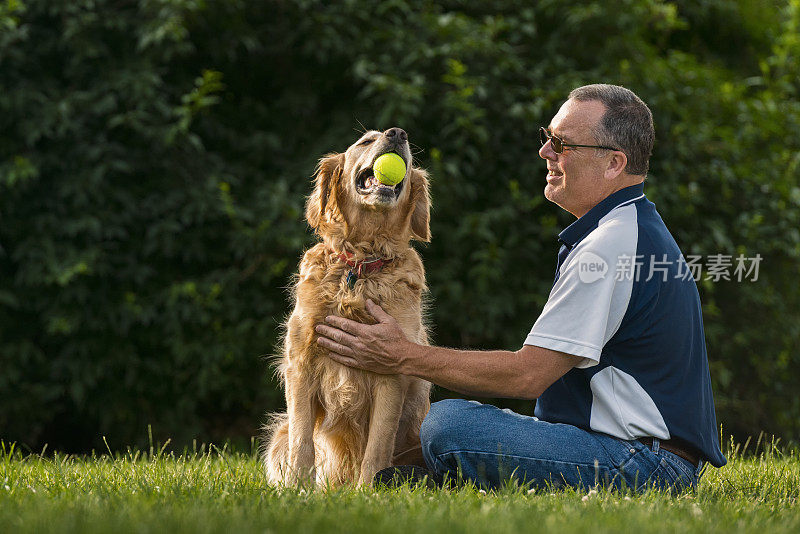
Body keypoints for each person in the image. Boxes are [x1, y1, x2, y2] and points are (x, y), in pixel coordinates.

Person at [314, 84, 726, 492]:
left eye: (562, 144)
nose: (545, 152)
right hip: (646, 455)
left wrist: (402, 355)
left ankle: (430, 476)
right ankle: (423, 478)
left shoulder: (610, 245)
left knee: (447, 424)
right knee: (451, 427)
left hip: (643, 465)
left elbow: (528, 376)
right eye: (547, 138)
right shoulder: (630, 228)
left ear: (614, 163)